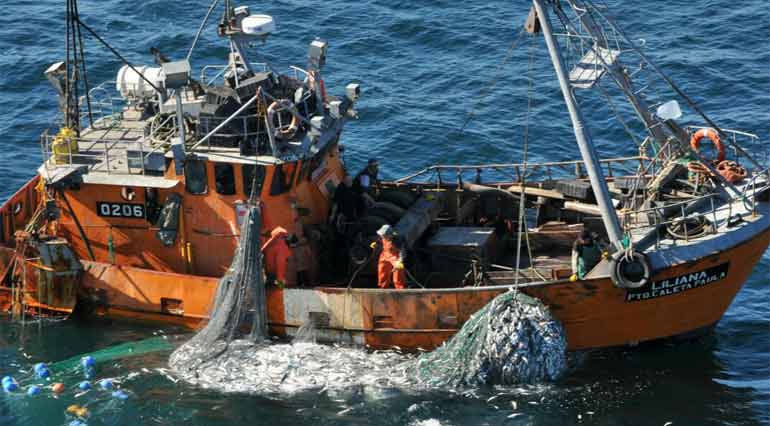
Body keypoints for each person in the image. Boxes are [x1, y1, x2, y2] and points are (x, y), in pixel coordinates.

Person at [372, 224, 406, 289]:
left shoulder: (397, 240)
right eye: (382, 235)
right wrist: (375, 244)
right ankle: (383, 288)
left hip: (394, 256)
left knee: (398, 272)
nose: (382, 236)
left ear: (390, 235)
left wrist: (400, 261)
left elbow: (402, 252)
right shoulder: (381, 237)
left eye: (384, 235)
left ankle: (400, 289)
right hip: (384, 255)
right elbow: (378, 241)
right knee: (382, 271)